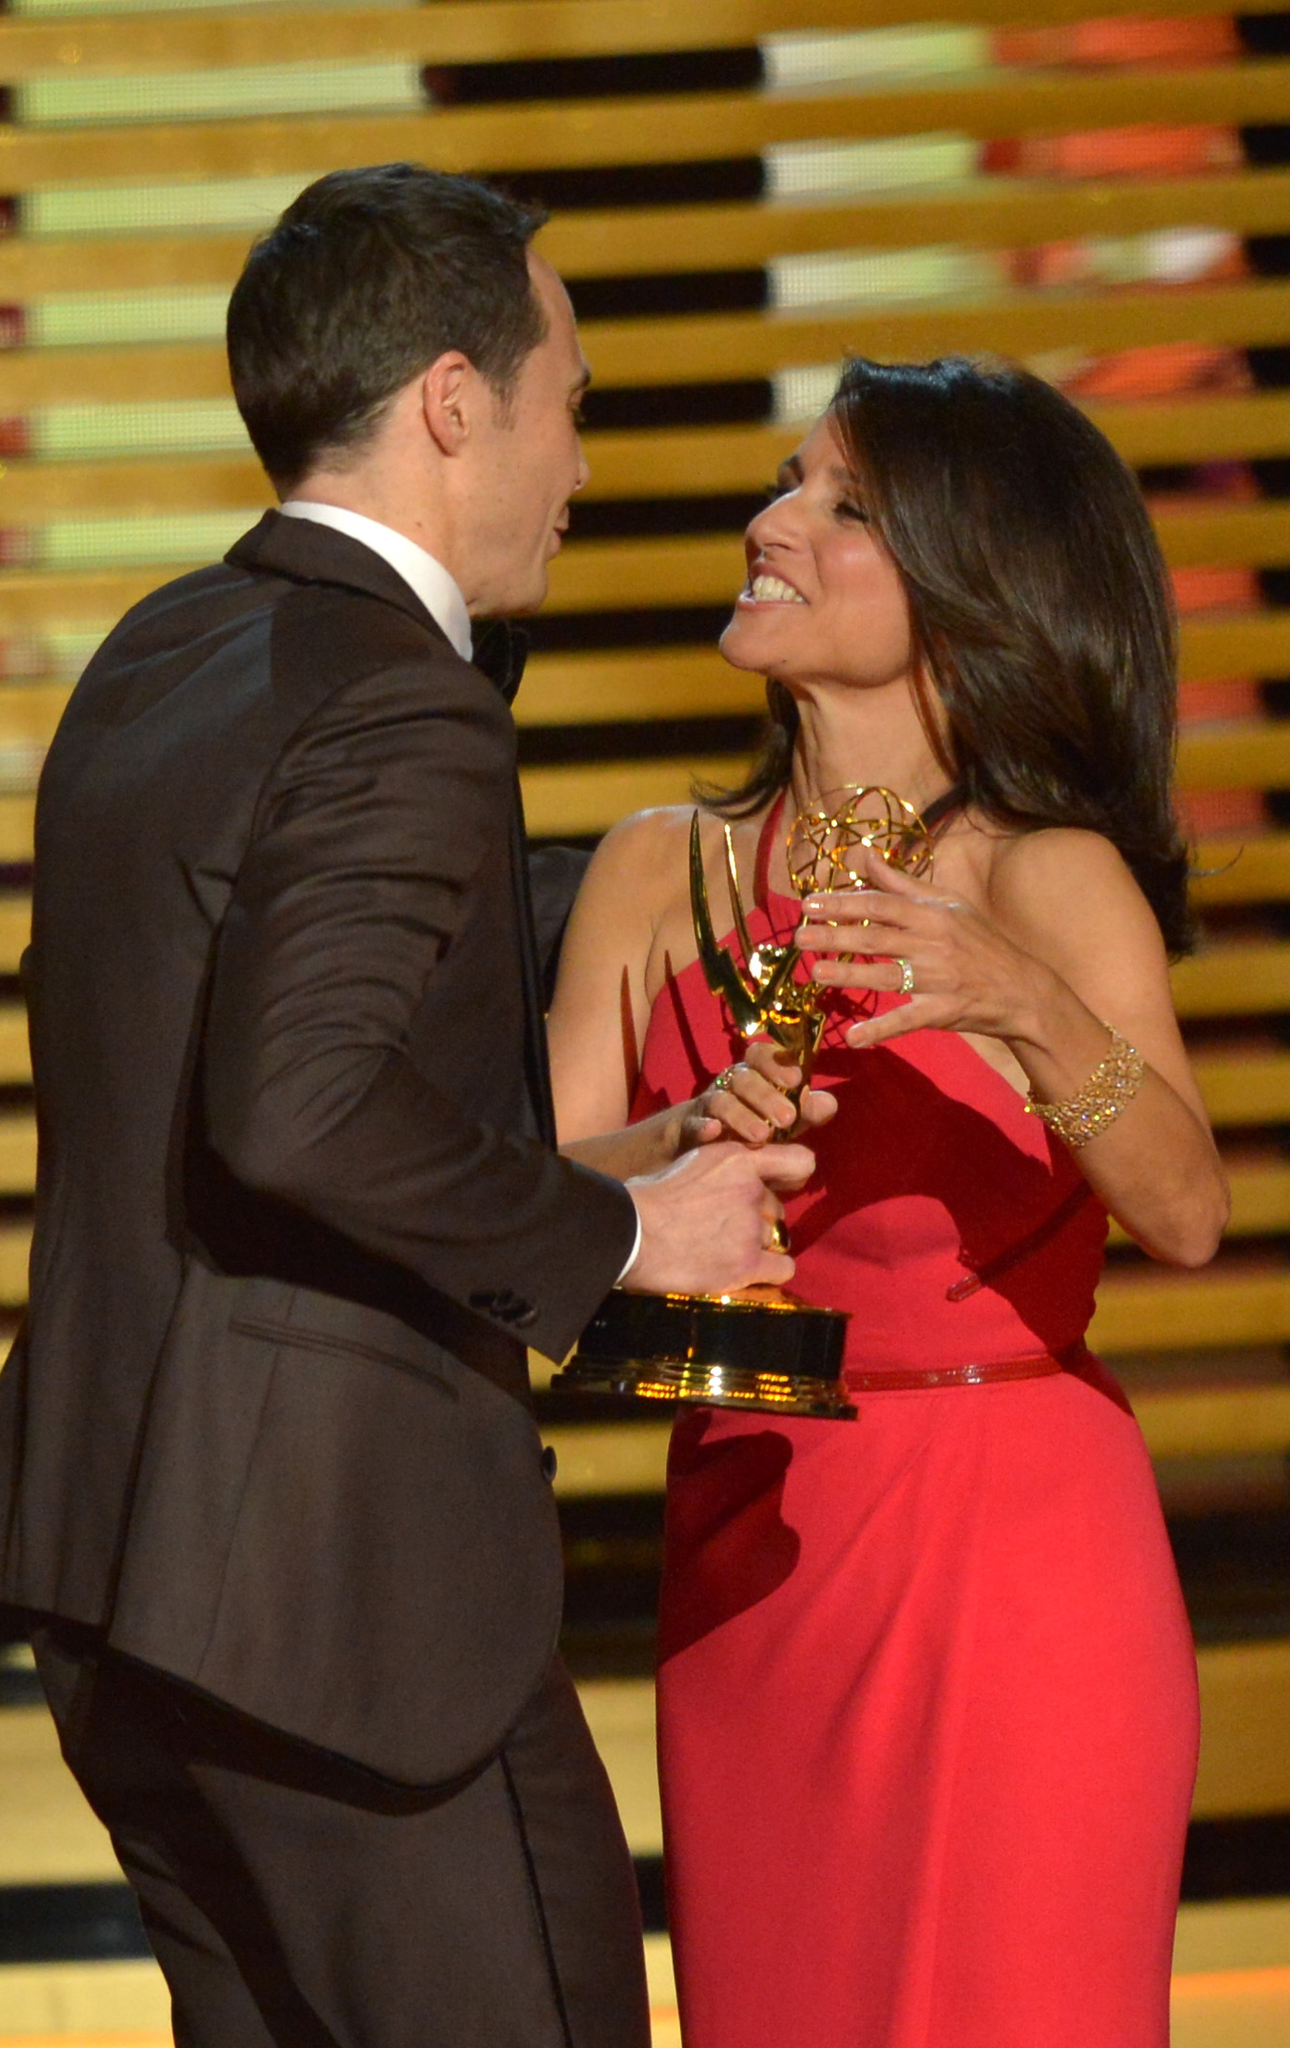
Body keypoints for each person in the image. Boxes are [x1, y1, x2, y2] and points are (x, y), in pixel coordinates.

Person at [0, 165, 812, 2048]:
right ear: (449, 400)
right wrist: (637, 1230)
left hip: (115, 1593)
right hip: (340, 1615)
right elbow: (301, 1106)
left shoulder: (161, 652)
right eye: (568, 396)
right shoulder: (403, 706)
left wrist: (591, 1158)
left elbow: (257, 1081)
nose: (581, 461)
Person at [547, 355, 1229, 2048]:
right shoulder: (649, 869)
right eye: (788, 483)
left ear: (962, 576)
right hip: (757, 1529)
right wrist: (687, 1143)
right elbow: (530, 1208)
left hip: (1014, 1548)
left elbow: (1191, 1208)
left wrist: (1021, 1001)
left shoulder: (1040, 870)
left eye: (841, 505)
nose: (771, 523)